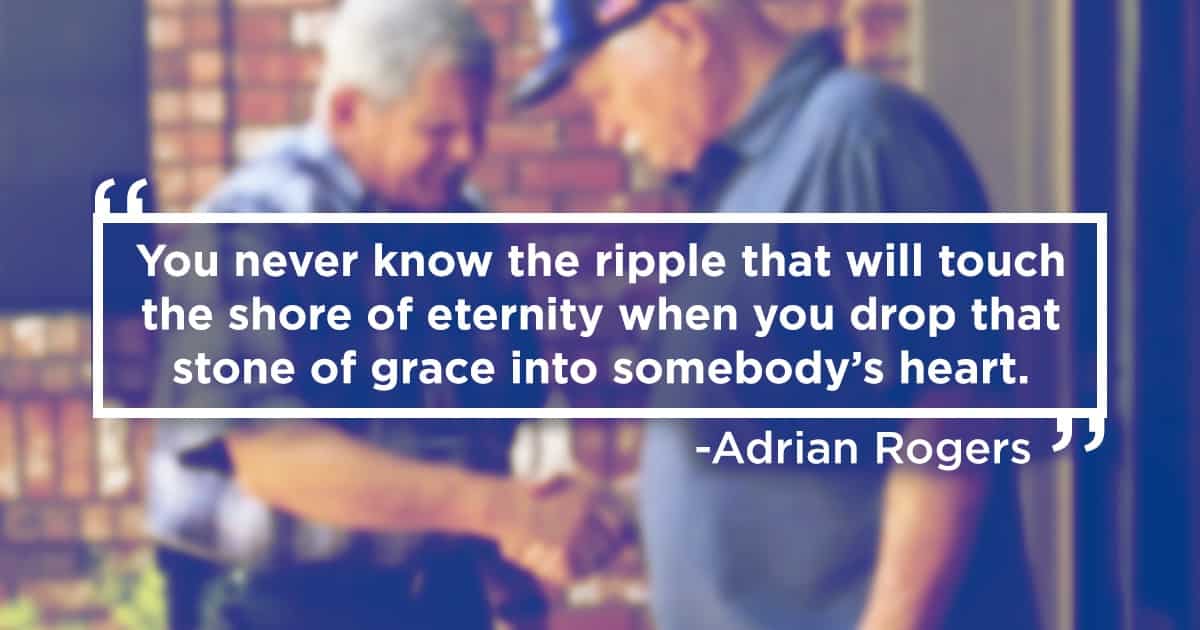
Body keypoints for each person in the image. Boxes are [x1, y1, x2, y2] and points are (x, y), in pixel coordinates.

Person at [513, 1, 1040, 629]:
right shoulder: (740, 190)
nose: (608, 126)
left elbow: (952, 416)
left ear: (680, 32)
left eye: (603, 93)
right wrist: (627, 509)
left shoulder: (856, 136)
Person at [147, 1, 627, 629]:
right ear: (348, 110)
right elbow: (274, 458)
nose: (467, 152)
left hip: (436, 599)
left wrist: (506, 561)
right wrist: (502, 511)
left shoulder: (468, 230)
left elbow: (482, 432)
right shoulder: (252, 225)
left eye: (477, 128)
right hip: (276, 608)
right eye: (438, 130)